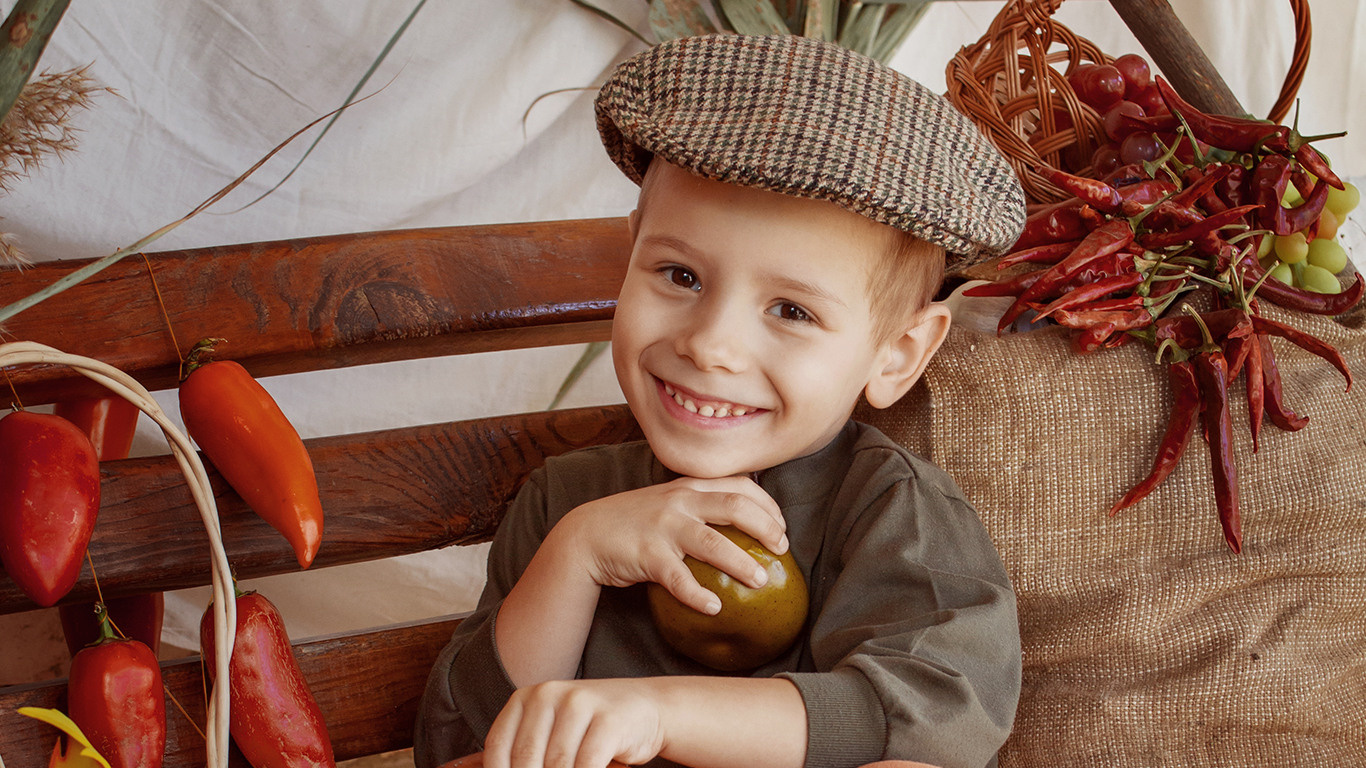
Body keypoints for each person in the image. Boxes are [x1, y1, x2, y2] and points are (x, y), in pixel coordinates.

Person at [415, 34, 1025, 768]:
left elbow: (939, 710)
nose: (710, 346)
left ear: (897, 353)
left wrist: (658, 712)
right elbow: (462, 745)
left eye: (792, 312)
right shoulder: (570, 504)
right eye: (679, 275)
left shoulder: (891, 511)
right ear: (630, 255)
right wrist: (575, 558)